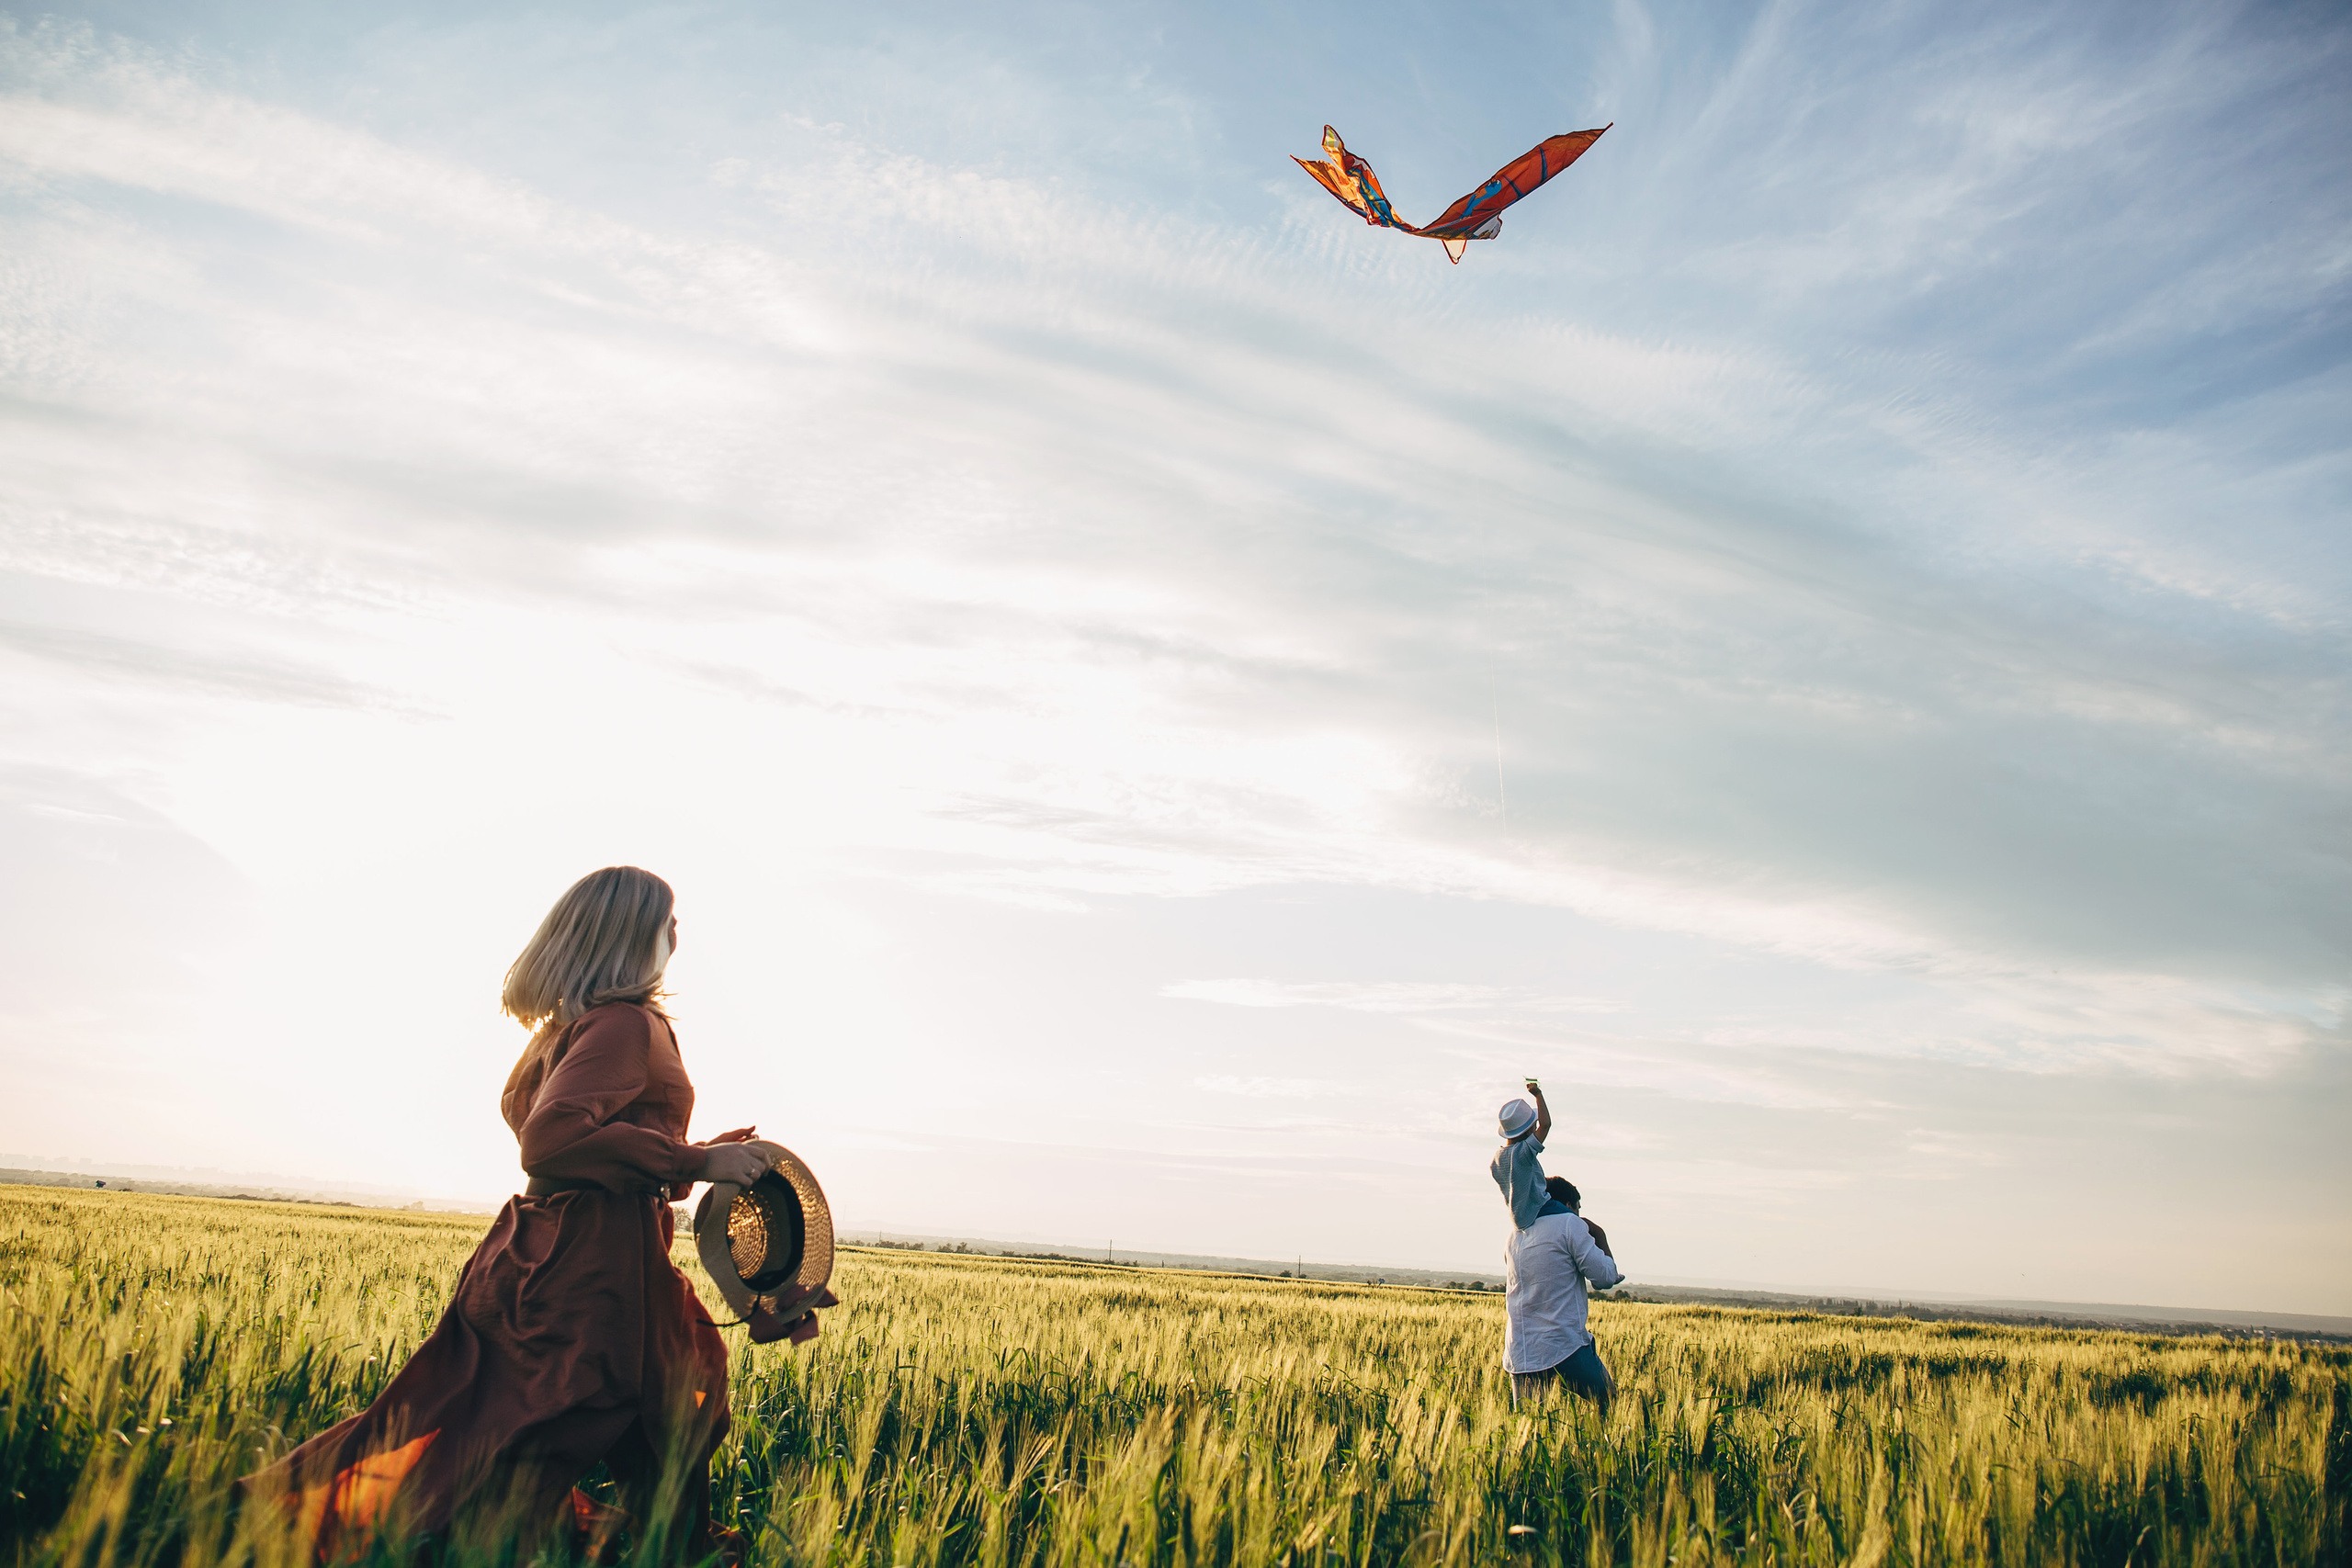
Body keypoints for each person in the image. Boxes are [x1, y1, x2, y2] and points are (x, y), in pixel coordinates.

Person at [241, 866, 810, 1563]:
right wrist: (692, 1162)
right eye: (666, 917)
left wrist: (692, 1159)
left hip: (547, 1248)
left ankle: (649, 1544)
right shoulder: (626, 1024)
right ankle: (640, 1547)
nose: (675, 930)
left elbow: (584, 1149)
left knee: (495, 1418)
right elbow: (550, 1140)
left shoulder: (566, 1028)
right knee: (563, 1426)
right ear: (630, 932)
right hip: (591, 1266)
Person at [1503, 1173, 1622, 1412]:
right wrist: (1599, 1235)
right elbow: (1605, 1278)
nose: (1579, 1213)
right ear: (1568, 1204)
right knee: (1610, 1404)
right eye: (1577, 1207)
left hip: (1522, 1351)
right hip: (1565, 1346)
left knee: (1529, 1428)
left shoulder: (1515, 1234)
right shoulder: (1570, 1224)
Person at [1490, 1077, 1553, 1228]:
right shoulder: (1523, 1152)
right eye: (1534, 1125)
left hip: (1518, 1217)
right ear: (1528, 1131)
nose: (1537, 1127)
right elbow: (1546, 1125)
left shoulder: (1497, 1159)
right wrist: (1538, 1094)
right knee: (1582, 1223)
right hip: (1539, 1209)